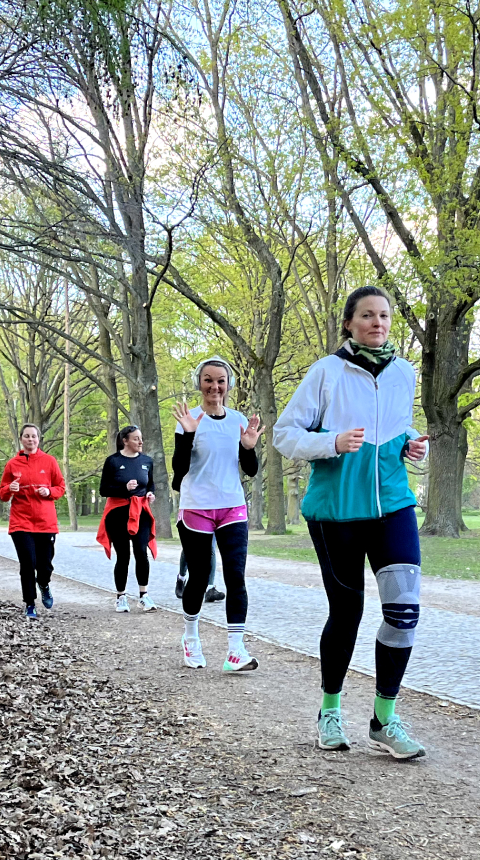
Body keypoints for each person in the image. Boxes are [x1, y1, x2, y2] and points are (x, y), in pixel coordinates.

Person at [273, 286, 431, 760]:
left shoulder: (404, 372)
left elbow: (396, 426)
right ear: (349, 323)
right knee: (347, 614)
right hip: (336, 509)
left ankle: (385, 719)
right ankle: (330, 709)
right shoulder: (326, 371)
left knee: (404, 612)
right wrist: (332, 442)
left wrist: (410, 444)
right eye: (366, 315)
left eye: (383, 315)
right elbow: (285, 435)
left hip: (393, 504)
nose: (377, 323)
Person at [172, 358, 262, 671]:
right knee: (199, 576)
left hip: (232, 506)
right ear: (200, 383)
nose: (215, 386)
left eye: (221, 380)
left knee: (235, 576)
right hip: (196, 506)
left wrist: (248, 447)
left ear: (228, 385)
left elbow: (249, 470)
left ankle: (236, 650)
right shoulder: (189, 418)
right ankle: (191, 637)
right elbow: (179, 470)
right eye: (208, 380)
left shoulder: (238, 420)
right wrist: (187, 435)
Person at [0, 425, 66, 618]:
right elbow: (2, 494)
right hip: (21, 521)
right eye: (27, 436)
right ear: (21, 439)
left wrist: (50, 492)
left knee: (44, 564)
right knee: (27, 562)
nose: (31, 439)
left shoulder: (49, 461)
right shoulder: (13, 464)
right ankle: (30, 603)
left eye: (34, 436)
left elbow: (60, 486)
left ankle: (44, 583)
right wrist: (10, 488)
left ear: (39, 439)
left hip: (46, 521)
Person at [95, 425, 160, 613]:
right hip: (119, 512)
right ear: (125, 441)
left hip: (141, 512)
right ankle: (121, 597)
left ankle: (143, 596)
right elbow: (103, 490)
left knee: (141, 551)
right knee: (123, 555)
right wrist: (124, 488)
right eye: (136, 439)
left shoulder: (147, 461)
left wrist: (150, 494)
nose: (140, 442)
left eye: (141, 438)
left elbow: (151, 485)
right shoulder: (113, 461)